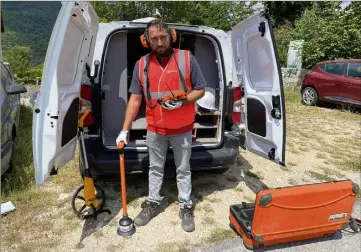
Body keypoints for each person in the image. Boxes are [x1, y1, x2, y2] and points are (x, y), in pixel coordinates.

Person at [116, 19, 207, 232]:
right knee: (154, 168)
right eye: (154, 39)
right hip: (155, 129)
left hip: (182, 128)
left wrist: (182, 101)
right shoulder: (142, 65)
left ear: (171, 36)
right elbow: (135, 99)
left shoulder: (186, 59)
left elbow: (201, 89)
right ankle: (153, 202)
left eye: (163, 37)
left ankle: (186, 205)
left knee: (183, 169)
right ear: (146, 41)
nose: (159, 42)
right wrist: (124, 129)